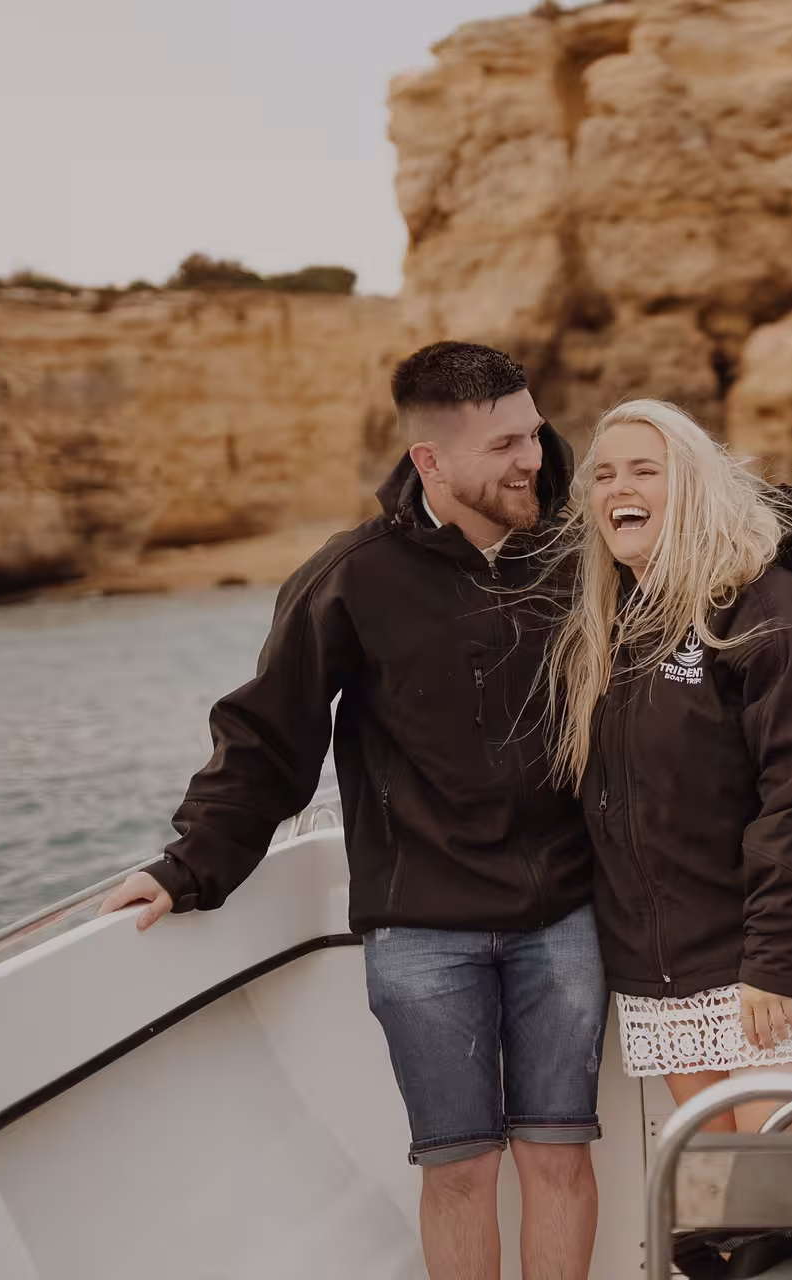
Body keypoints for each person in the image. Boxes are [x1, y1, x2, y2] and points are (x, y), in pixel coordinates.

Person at [98, 342, 605, 1280]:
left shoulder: (582, 556)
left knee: (560, 1157)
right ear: (430, 462)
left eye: (532, 434)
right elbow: (267, 736)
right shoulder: (352, 576)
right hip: (422, 929)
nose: (531, 459)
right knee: (461, 1172)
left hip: (565, 914)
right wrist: (188, 864)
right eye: (502, 446)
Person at [543, 398, 792, 1136]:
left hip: (771, 964)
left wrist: (773, 963)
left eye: (645, 471)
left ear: (693, 486)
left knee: (789, 1205)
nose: (619, 488)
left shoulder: (768, 608)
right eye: (603, 475)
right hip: (669, 975)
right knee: (728, 1223)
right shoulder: (611, 626)